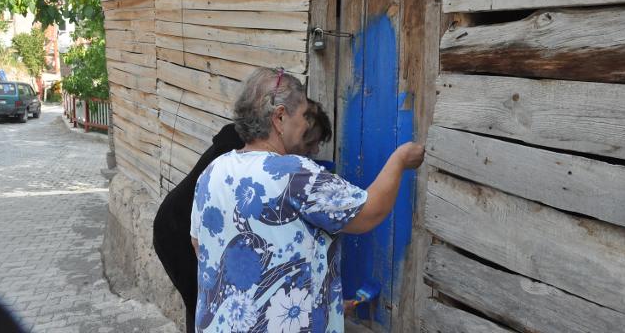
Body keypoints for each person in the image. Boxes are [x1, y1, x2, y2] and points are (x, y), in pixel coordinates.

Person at [190, 67, 423, 332]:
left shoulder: (212, 171)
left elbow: (200, 244)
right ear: (279, 117)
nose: (306, 124)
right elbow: (370, 212)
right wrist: (400, 159)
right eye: (302, 115)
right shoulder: (295, 173)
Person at [153, 99, 332, 333]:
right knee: (205, 302)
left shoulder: (256, 149)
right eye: (309, 143)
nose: (314, 151)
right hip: (176, 229)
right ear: (283, 123)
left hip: (196, 229)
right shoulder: (243, 155)